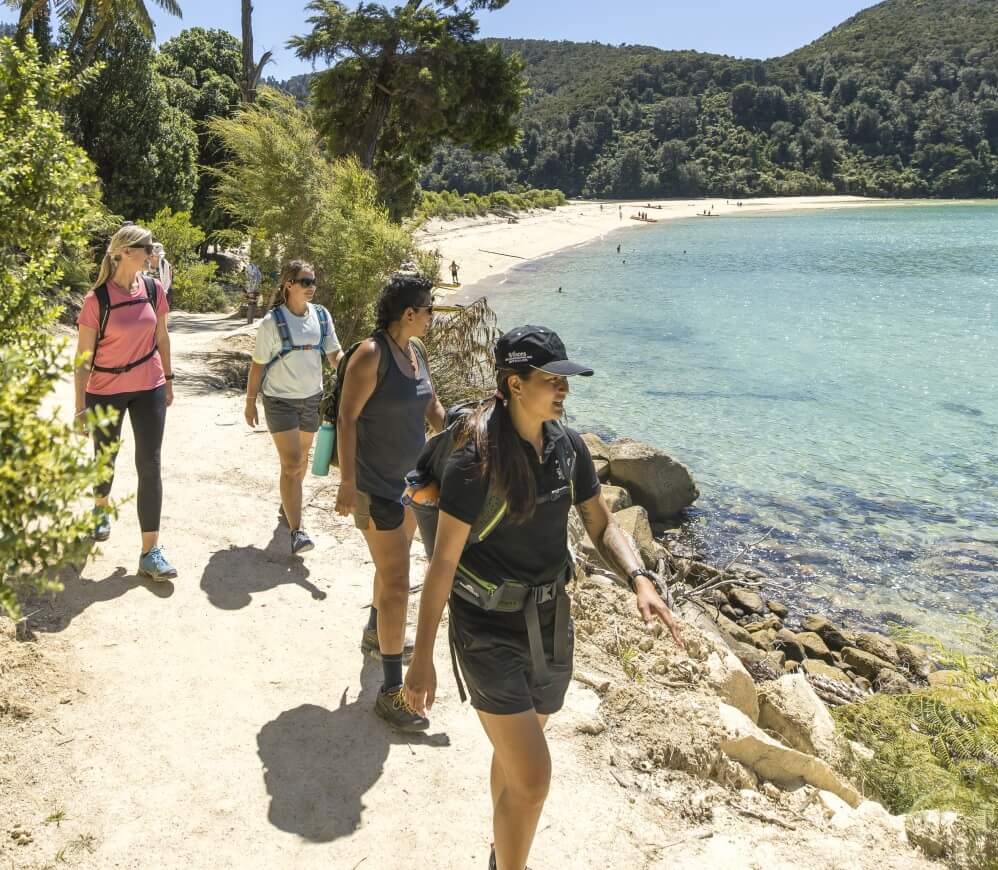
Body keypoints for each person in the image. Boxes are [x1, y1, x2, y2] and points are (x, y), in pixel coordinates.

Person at [404, 325, 686, 870]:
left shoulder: (567, 446)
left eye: (565, 379)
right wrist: (421, 660)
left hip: (551, 624)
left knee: (519, 761)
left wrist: (639, 579)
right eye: (552, 380)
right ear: (514, 384)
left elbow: (601, 523)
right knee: (534, 779)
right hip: (485, 629)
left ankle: (502, 849)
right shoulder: (475, 460)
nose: (565, 389)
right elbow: (442, 564)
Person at [334, 272, 445, 730]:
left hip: (411, 486)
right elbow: (347, 418)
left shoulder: (415, 352)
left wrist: (468, 435)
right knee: (399, 581)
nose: (433, 317)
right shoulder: (371, 354)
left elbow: (432, 409)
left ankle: (375, 632)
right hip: (374, 487)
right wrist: (347, 483)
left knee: (390, 570)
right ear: (409, 313)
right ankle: (392, 692)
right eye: (429, 309)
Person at [75, 224, 178, 581]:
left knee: (150, 464)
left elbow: (162, 336)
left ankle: (150, 552)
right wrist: (80, 408)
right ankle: (100, 508)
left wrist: (169, 379)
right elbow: (83, 361)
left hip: (149, 385)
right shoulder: (97, 300)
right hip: (105, 390)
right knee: (106, 456)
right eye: (147, 248)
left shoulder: (152, 289)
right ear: (126, 252)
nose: (153, 253)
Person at [244, 258, 341, 554]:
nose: (312, 287)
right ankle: (298, 531)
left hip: (312, 399)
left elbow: (334, 355)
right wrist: (250, 402)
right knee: (291, 463)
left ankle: (288, 504)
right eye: (305, 282)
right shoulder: (271, 323)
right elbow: (258, 366)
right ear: (289, 284)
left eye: (313, 282)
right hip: (280, 401)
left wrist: (356, 372)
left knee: (300, 462)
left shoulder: (321, 316)